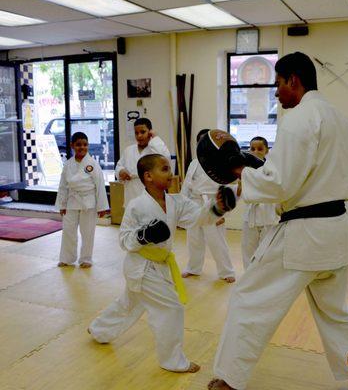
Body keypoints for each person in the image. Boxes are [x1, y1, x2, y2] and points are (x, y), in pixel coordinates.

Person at [207, 52, 348, 390]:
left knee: (248, 299)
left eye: (278, 84)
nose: (276, 93)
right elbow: (304, 173)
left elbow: (281, 182)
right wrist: (255, 168)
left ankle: (227, 383)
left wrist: (237, 168)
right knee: (336, 312)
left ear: (294, 79)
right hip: (336, 230)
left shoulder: (299, 117)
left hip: (303, 234)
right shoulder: (342, 120)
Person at [88, 153, 235, 373]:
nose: (171, 174)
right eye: (165, 169)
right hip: (141, 266)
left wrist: (217, 207)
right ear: (148, 176)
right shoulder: (136, 205)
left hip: (161, 266)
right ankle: (172, 360)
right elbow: (124, 239)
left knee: (130, 303)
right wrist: (144, 235)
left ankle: (99, 330)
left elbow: (198, 219)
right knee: (171, 309)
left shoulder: (176, 201)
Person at [181, 129, 236, 283]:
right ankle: (193, 267)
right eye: (199, 141)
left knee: (217, 241)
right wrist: (183, 205)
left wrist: (223, 213)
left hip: (212, 204)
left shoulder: (221, 162)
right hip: (193, 204)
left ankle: (227, 271)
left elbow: (226, 190)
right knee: (194, 239)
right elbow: (186, 185)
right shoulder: (194, 163)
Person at [56, 132, 109, 268]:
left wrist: (102, 207)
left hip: (88, 202)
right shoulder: (68, 164)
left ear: (88, 146)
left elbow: (100, 186)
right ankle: (67, 258)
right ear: (72, 145)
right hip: (71, 201)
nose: (82, 147)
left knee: (88, 232)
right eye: (78, 145)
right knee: (68, 231)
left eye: (85, 145)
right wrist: (62, 204)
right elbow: (63, 186)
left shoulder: (92, 164)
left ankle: (86, 259)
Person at [241, 136, 279, 270]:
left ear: (267, 151)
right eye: (252, 149)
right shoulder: (246, 170)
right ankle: (248, 278)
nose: (256, 151)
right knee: (248, 250)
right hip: (250, 216)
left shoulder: (273, 168)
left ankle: (263, 280)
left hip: (268, 216)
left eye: (260, 149)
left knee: (266, 252)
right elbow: (241, 191)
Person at [115, 117, 170, 207]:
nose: (139, 136)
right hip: (131, 194)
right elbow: (119, 166)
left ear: (150, 132)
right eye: (136, 133)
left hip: (151, 195)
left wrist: (155, 138)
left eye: (143, 132)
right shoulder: (128, 150)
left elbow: (166, 157)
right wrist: (121, 171)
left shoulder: (155, 150)